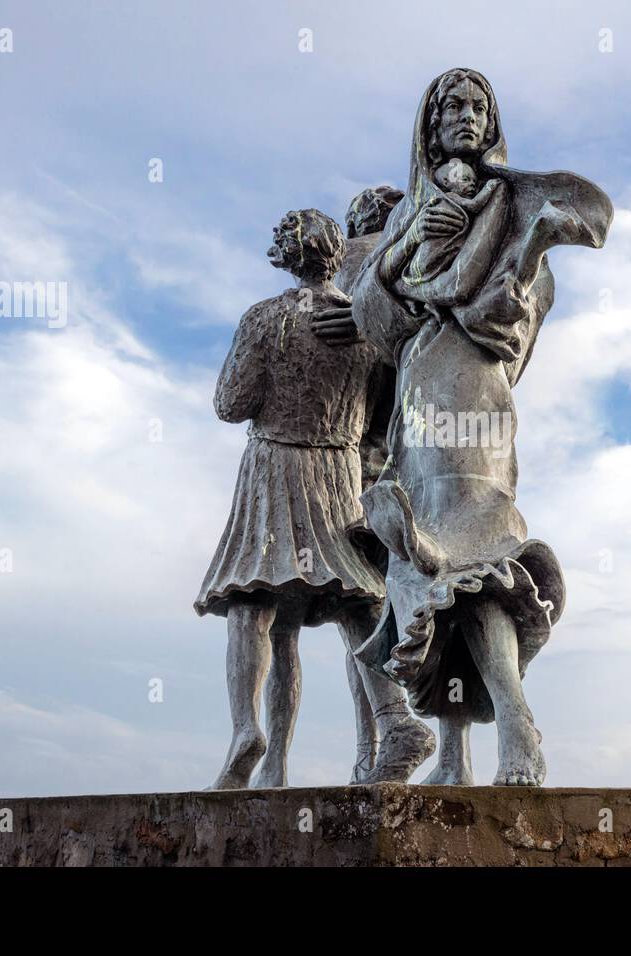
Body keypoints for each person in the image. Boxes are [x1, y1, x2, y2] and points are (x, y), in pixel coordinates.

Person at [330, 68, 612, 786]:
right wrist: (408, 242)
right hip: (420, 397)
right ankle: (454, 752)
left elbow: (514, 327)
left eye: (477, 106)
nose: (464, 115)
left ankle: (517, 723)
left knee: (471, 551)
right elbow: (376, 317)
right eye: (450, 106)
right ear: (429, 125)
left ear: (491, 124)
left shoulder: (512, 203)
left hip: (472, 394)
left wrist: (503, 271)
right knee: (424, 564)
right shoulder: (408, 212)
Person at [195, 207, 434, 789]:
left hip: (275, 467)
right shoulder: (364, 329)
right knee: (355, 599)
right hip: (338, 469)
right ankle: (383, 721)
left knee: (255, 602)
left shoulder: (266, 318)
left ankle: (247, 732)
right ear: (338, 256)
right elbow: (391, 402)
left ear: (285, 257)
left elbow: (230, 403)